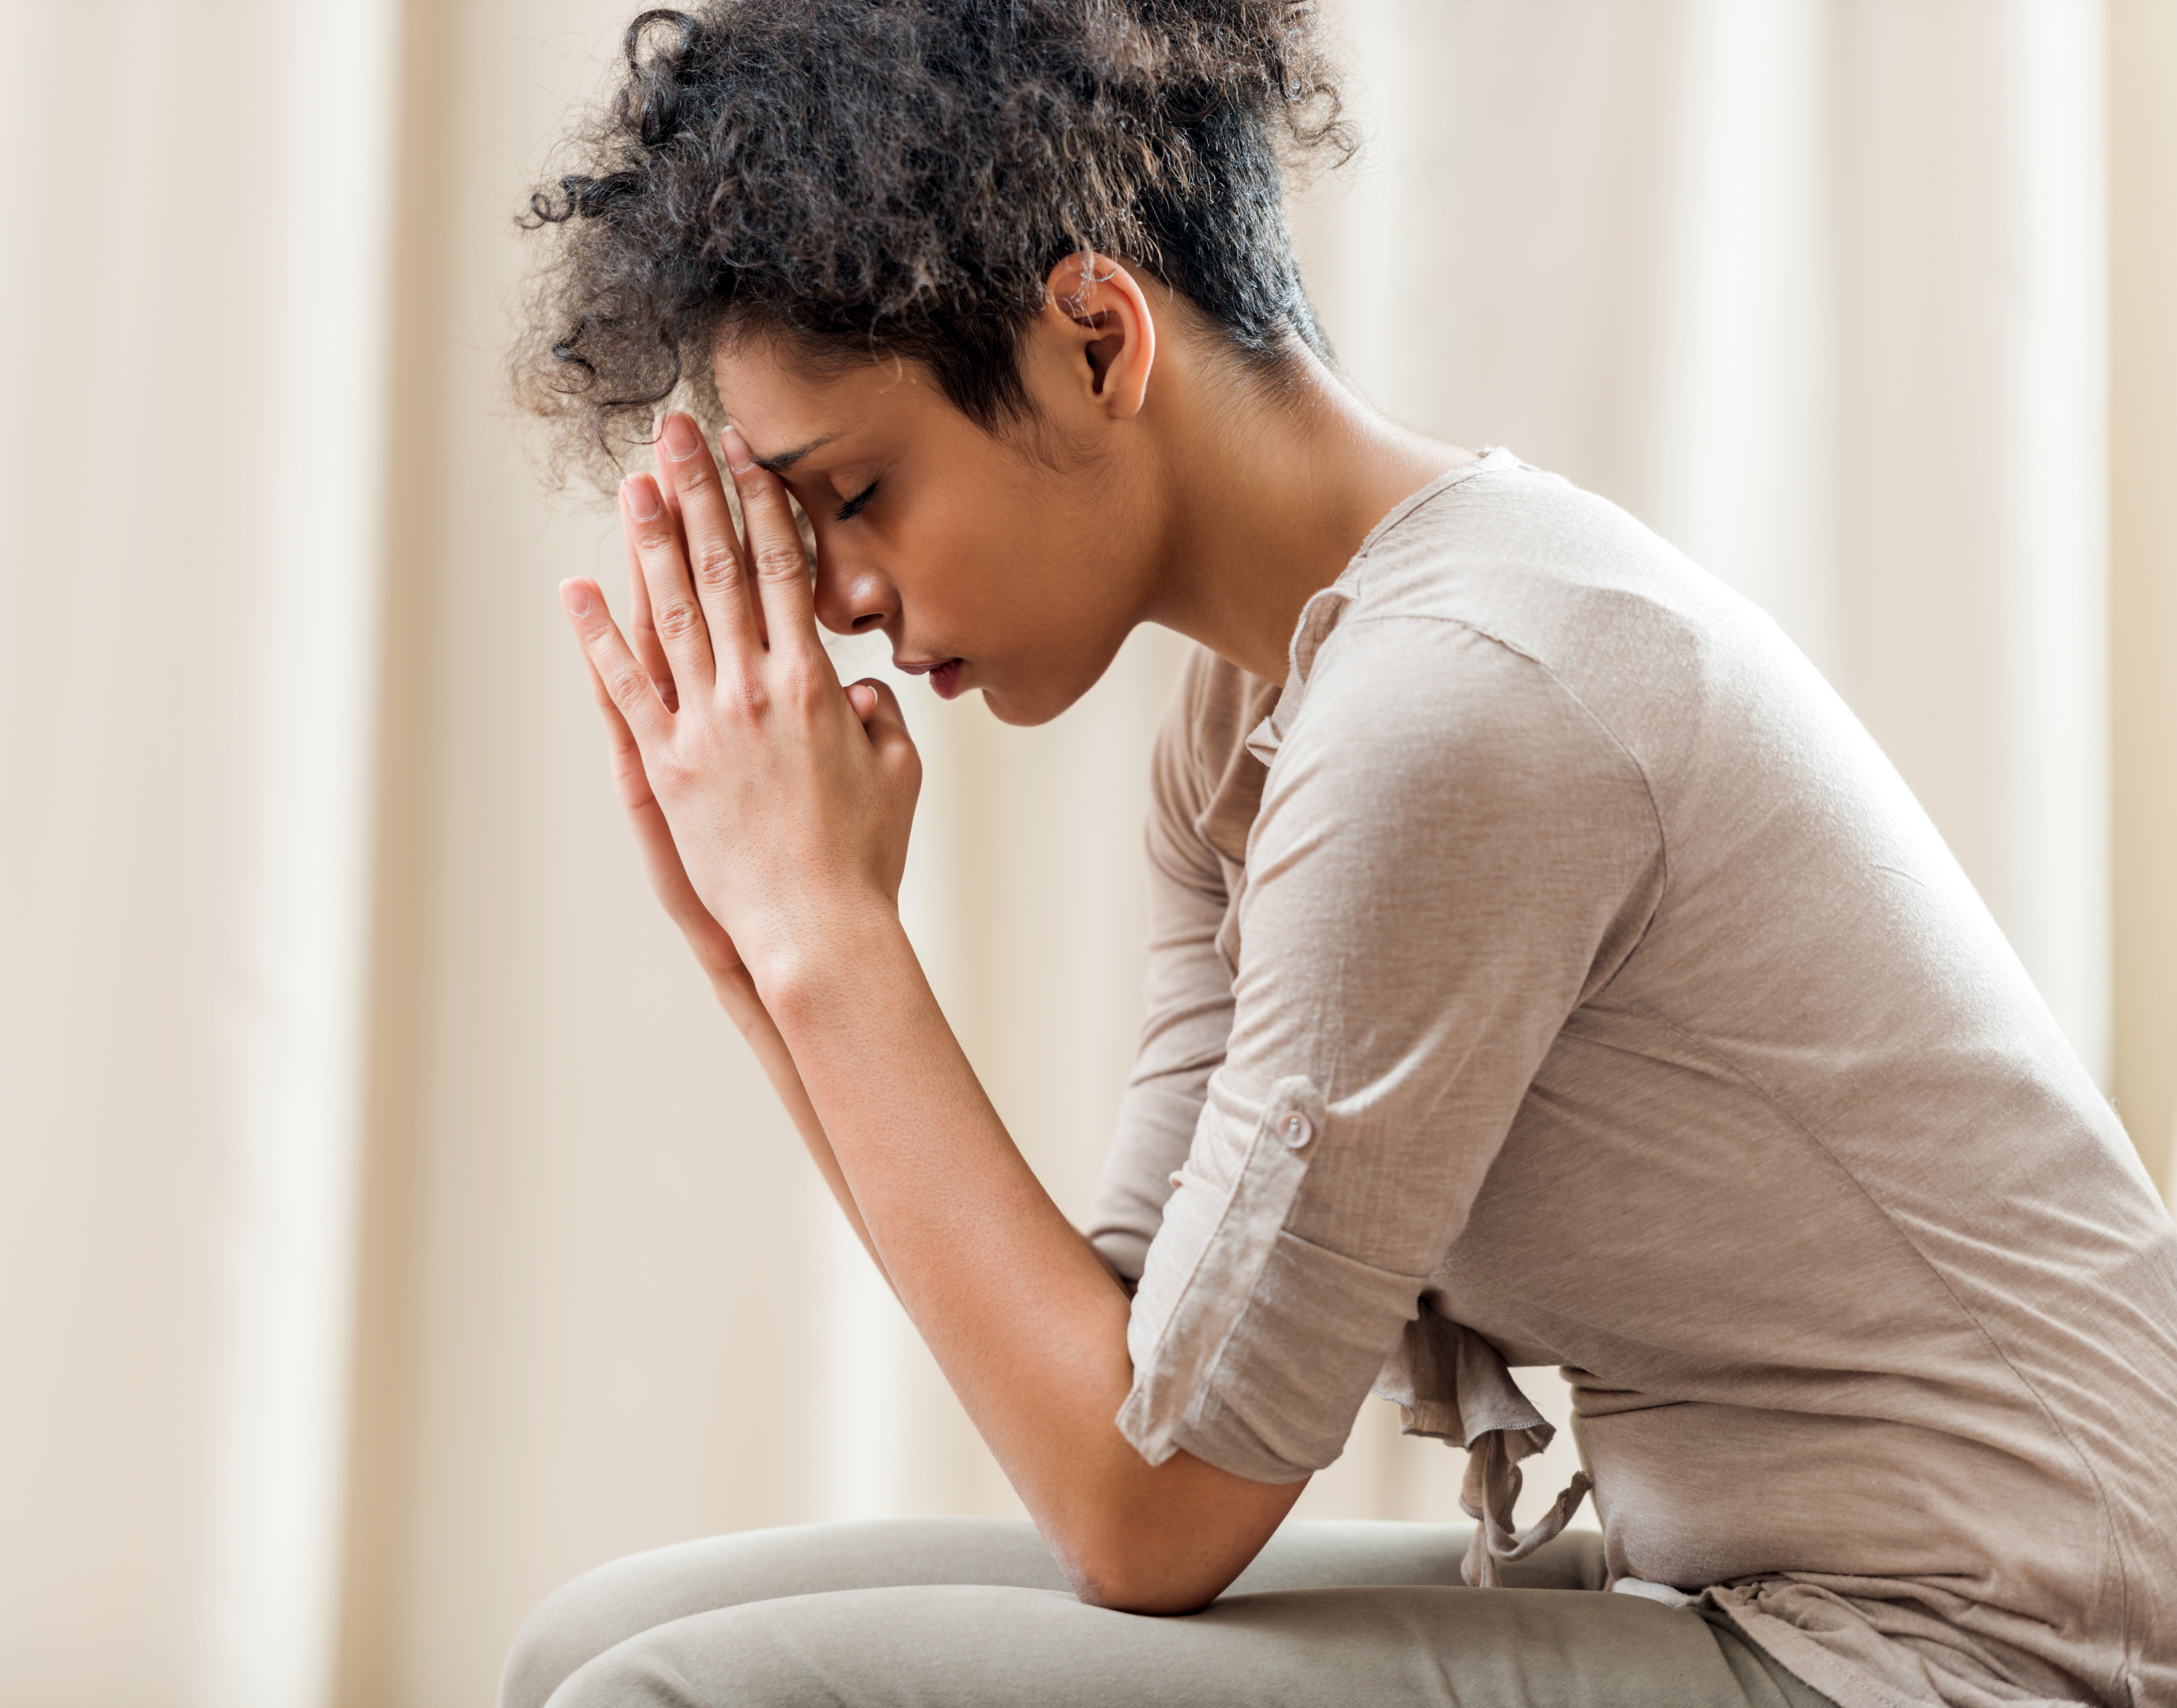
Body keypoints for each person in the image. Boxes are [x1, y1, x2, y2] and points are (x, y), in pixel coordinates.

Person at [501, 3, 2177, 1705]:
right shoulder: (1258, 720)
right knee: (598, 1638)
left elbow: (1148, 1517)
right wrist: (766, 947)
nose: (842, 600)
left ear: (1094, 337)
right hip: (1760, 1591)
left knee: (677, 1698)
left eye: (852, 494)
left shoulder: (1450, 715)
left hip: (1985, 1659)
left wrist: (823, 938)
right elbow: (1129, 1383)